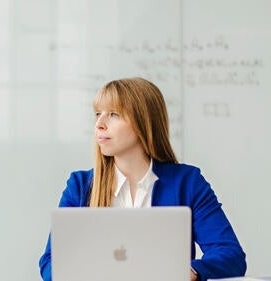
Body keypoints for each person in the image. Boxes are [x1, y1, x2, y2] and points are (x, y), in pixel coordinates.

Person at [38, 77, 246, 281]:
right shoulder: (80, 186)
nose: (99, 124)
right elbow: (50, 264)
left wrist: (191, 271)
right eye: (98, 114)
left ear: (143, 123)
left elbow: (231, 255)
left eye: (113, 114)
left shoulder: (187, 182)